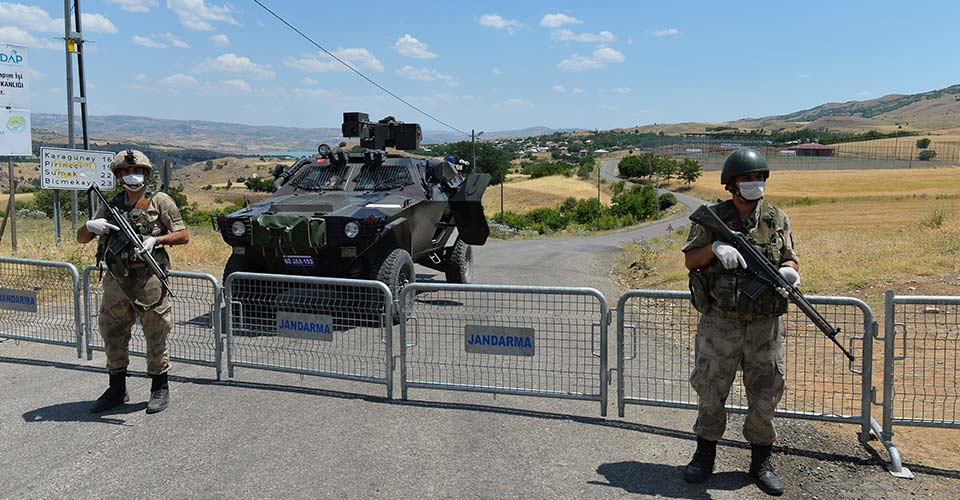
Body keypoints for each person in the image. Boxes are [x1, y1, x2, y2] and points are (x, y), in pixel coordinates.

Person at [680, 147, 800, 496]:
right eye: (748, 178)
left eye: (760, 177)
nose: (755, 183)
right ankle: (704, 455)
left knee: (766, 392)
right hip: (721, 323)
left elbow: (790, 257)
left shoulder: (777, 218)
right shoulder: (713, 217)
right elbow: (690, 260)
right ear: (731, 183)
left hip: (765, 326)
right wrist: (715, 248)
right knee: (711, 389)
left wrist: (790, 272)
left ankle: (761, 462)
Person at [77, 149, 190, 415]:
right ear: (118, 176)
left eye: (137, 170)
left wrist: (157, 240)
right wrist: (90, 225)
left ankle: (159, 387)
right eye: (126, 171)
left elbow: (183, 235)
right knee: (112, 330)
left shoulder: (159, 201)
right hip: (116, 279)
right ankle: (116, 388)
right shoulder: (111, 204)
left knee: (156, 330)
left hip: (148, 277)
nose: (132, 175)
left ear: (146, 174)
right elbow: (82, 238)